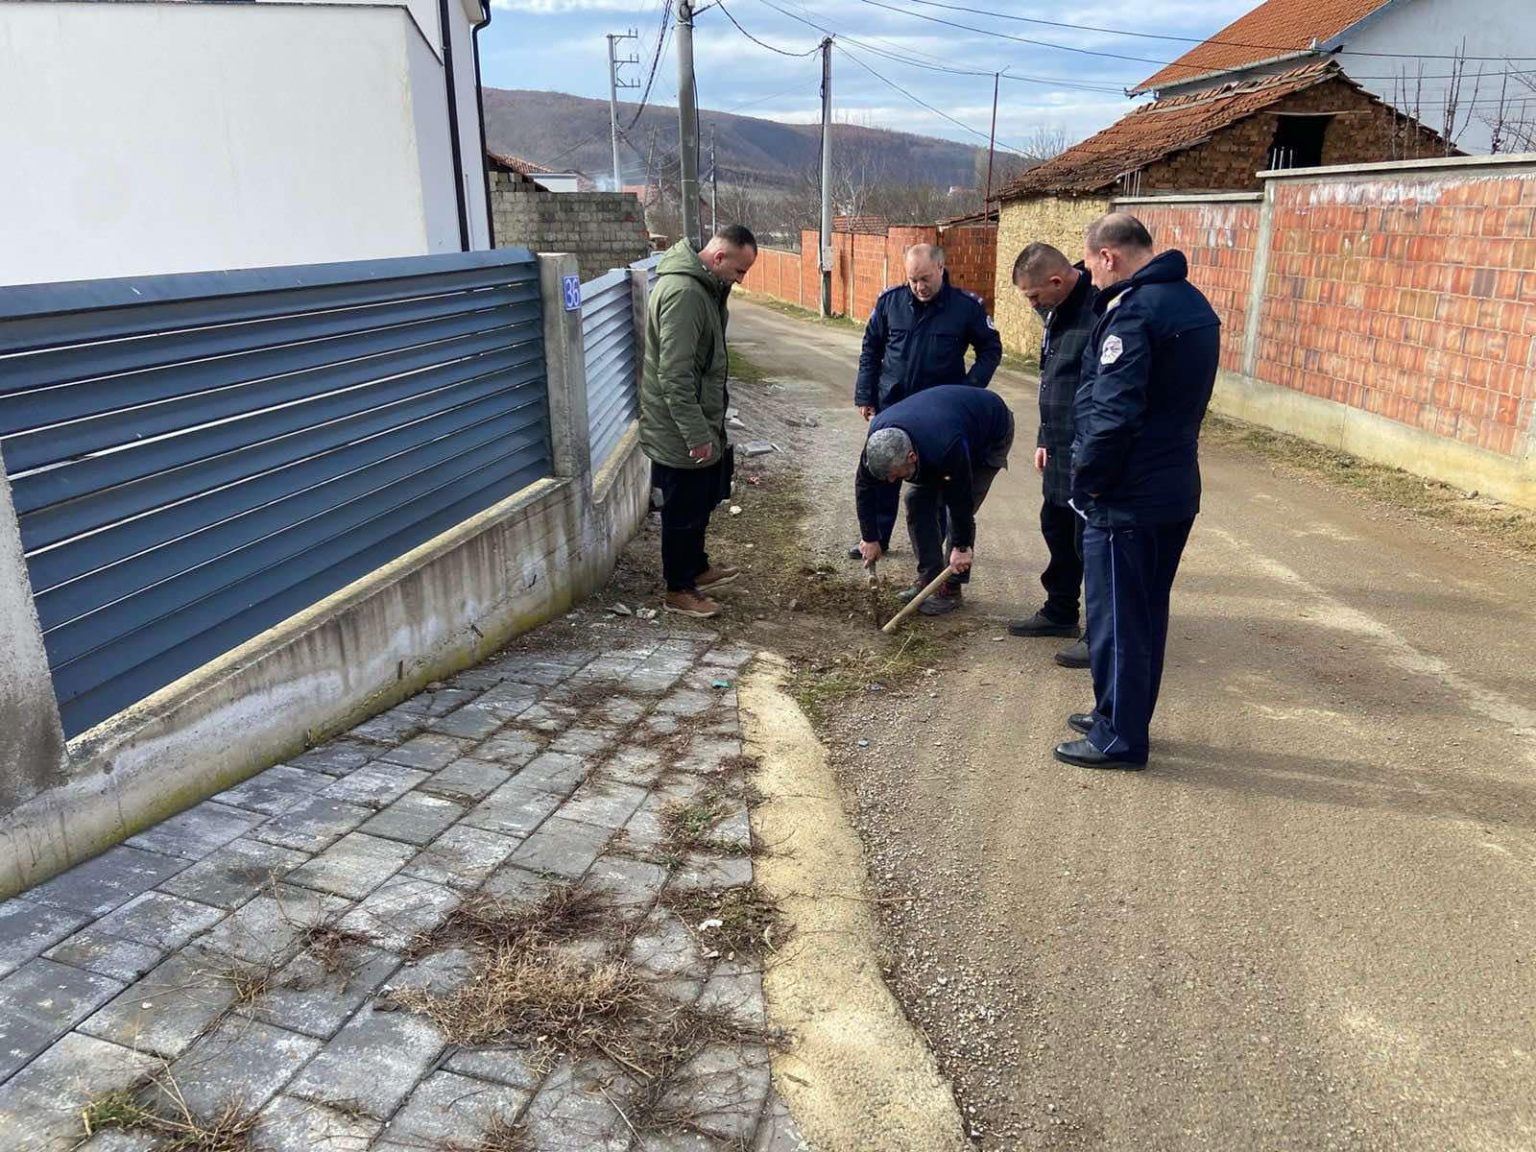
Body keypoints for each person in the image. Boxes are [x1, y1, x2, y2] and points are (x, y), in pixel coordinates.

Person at [1054, 214, 1220, 770]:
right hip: (1172, 487)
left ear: (1109, 256)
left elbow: (1112, 414)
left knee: (1118, 618)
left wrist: (1087, 483)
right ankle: (1116, 715)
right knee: (1143, 612)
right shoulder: (1191, 302)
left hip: (1128, 496)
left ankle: (1119, 738)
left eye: (1091, 265)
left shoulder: (1136, 314)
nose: (1092, 279)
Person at [845, 243, 1002, 559]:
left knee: (938, 482)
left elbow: (990, 350)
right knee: (885, 471)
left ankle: (934, 546)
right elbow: (871, 349)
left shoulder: (965, 308)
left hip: (938, 416)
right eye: (913, 280)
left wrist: (970, 388)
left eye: (925, 278)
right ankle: (876, 538)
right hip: (893, 403)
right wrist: (865, 394)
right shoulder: (890, 303)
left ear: (941, 268)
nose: (919, 287)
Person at [638, 224, 758, 619]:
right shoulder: (685, 294)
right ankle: (679, 588)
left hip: (701, 418)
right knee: (682, 508)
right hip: (679, 426)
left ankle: (697, 568)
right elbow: (674, 374)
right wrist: (694, 432)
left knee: (701, 499)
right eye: (739, 272)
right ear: (719, 258)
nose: (741, 281)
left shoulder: (705, 288)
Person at [1005, 242, 1098, 670]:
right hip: (1059, 445)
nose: (1032, 304)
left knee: (1088, 542)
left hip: (1089, 448)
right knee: (1055, 527)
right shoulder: (1055, 311)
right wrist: (1044, 436)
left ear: (1056, 282)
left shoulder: (1099, 309)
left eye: (1033, 296)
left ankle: (1099, 635)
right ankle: (1060, 611)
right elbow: (1053, 379)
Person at [855, 385, 1014, 616]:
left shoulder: (946, 447)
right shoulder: (877, 442)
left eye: (894, 474)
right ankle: (929, 578)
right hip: (942, 423)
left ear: (912, 456)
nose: (890, 480)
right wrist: (870, 537)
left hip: (990, 431)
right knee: (916, 499)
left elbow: (961, 501)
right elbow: (864, 486)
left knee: (954, 510)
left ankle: (951, 589)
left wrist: (961, 546)